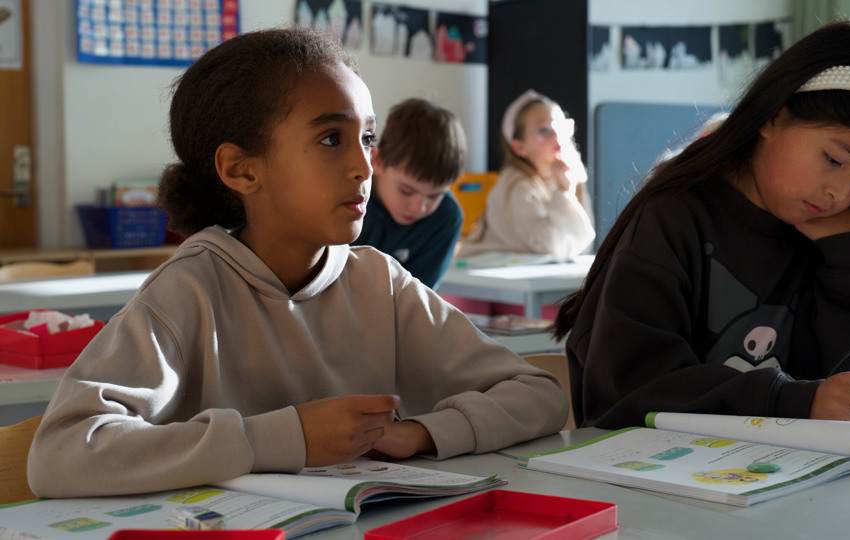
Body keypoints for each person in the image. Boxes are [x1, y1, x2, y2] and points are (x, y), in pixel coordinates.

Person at [27, 27, 568, 498]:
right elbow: (61, 452)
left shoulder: (380, 283)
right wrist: (284, 438)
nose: (363, 167)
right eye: (332, 139)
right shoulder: (189, 291)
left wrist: (426, 433)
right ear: (241, 170)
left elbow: (539, 395)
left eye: (367, 138)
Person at [552, 20, 850, 428]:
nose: (839, 194)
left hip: (780, 477)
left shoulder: (834, 241)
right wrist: (787, 399)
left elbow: (844, 398)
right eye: (834, 160)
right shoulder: (672, 220)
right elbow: (630, 395)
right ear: (772, 116)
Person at [458, 89, 595, 261]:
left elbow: (583, 245)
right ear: (519, 147)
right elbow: (548, 246)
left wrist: (567, 188)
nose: (557, 137)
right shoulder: (515, 185)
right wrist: (564, 192)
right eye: (544, 130)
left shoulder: (570, 178)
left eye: (561, 127)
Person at [351, 98, 466, 289]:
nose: (418, 207)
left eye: (434, 196)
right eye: (406, 191)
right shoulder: (347, 197)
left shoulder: (446, 218)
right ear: (376, 161)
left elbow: (418, 299)